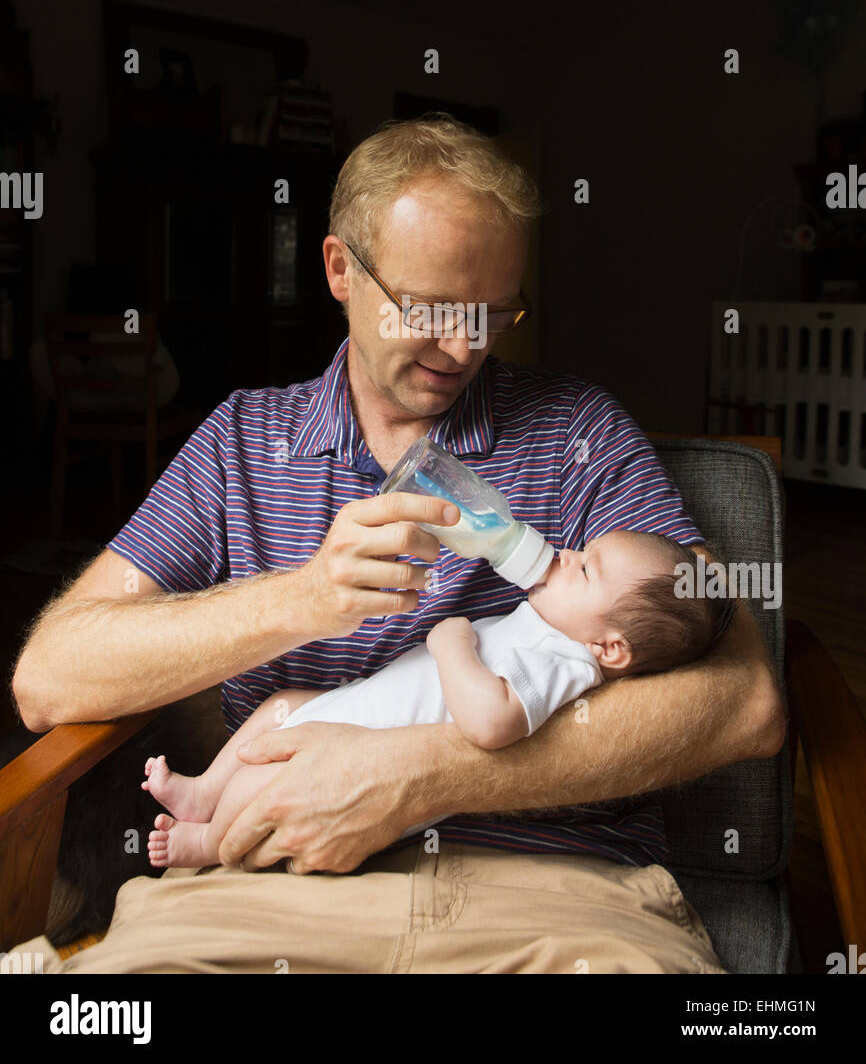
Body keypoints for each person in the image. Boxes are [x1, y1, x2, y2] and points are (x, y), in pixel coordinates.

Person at [12, 112, 785, 975]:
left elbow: (744, 699)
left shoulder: (579, 433)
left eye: (493, 315)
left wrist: (419, 776)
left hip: (557, 897)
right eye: (434, 309)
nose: (464, 348)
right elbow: (50, 678)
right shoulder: (238, 444)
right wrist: (299, 599)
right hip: (265, 893)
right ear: (341, 269)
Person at [143, 529, 735, 871]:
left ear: (611, 649)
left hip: (360, 751)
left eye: (587, 572)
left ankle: (208, 842)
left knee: (266, 785)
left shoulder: (566, 665)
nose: (569, 555)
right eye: (585, 551)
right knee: (280, 702)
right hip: (352, 707)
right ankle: (201, 790)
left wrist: (453, 645)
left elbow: (490, 722)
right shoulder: (552, 629)